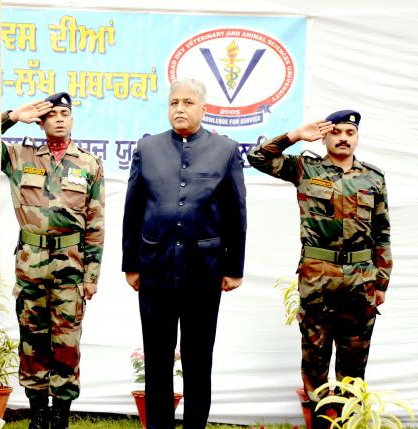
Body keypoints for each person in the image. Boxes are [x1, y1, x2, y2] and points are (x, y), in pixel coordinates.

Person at [247, 110, 392, 428]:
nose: (343, 137)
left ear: (356, 138)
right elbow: (257, 158)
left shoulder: (373, 177)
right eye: (336, 131)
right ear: (325, 136)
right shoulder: (304, 168)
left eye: (349, 133)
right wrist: (296, 135)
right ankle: (322, 424)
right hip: (318, 277)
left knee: (354, 362)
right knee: (315, 357)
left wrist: (381, 282)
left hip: (360, 281)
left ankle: (349, 423)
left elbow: (382, 233)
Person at [0, 92, 104, 429]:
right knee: (32, 337)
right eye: (53, 114)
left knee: (67, 340)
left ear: (72, 120)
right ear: (41, 121)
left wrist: (92, 274)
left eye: (65, 114)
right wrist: (14, 116)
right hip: (31, 263)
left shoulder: (88, 164)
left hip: (71, 266)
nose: (60, 118)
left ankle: (60, 414)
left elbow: (96, 222)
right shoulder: (20, 156)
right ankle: (38, 412)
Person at [122, 78, 247, 429]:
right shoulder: (148, 149)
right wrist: (130, 264)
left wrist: (233, 267)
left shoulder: (225, 150)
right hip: (154, 269)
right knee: (157, 361)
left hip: (204, 272)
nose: (180, 108)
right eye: (174, 102)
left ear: (203, 109)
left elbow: (236, 213)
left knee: (197, 360)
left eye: (188, 102)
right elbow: (133, 209)